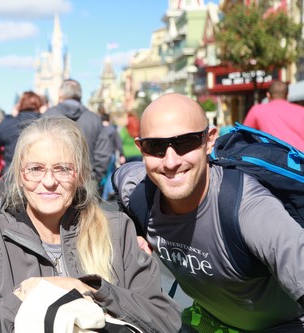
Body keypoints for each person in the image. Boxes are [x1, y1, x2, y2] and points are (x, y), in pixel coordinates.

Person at [0, 117, 182, 333]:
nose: (48, 181)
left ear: (80, 175)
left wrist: (90, 288)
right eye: (35, 168)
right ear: (20, 175)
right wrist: (30, 300)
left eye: (62, 169)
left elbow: (164, 320)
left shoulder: (117, 229)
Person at [113, 92, 304, 332]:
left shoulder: (248, 209)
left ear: (209, 140)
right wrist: (134, 230)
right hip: (211, 320)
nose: (171, 162)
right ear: (141, 148)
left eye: (186, 142)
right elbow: (118, 181)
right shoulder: (136, 190)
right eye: (156, 146)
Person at [43, 79, 112, 184]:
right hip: (87, 179)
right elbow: (103, 153)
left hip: (55, 180)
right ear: (80, 95)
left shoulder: (47, 117)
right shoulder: (94, 119)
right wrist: (95, 176)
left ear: (60, 94)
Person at [243, 79, 304, 150]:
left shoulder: (257, 110)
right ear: (287, 95)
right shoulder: (301, 110)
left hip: (273, 157)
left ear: (268, 95)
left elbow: (244, 134)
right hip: (300, 156)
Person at [0, 91, 42, 174]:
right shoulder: (45, 121)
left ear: (20, 104)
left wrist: (11, 116)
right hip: (37, 169)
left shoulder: (10, 123)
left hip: (12, 170)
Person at [100, 113, 124, 201]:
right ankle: (108, 192)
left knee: (104, 174)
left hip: (101, 154)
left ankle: (105, 194)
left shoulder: (99, 129)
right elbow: (118, 143)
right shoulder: (112, 130)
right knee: (110, 173)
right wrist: (121, 154)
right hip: (111, 154)